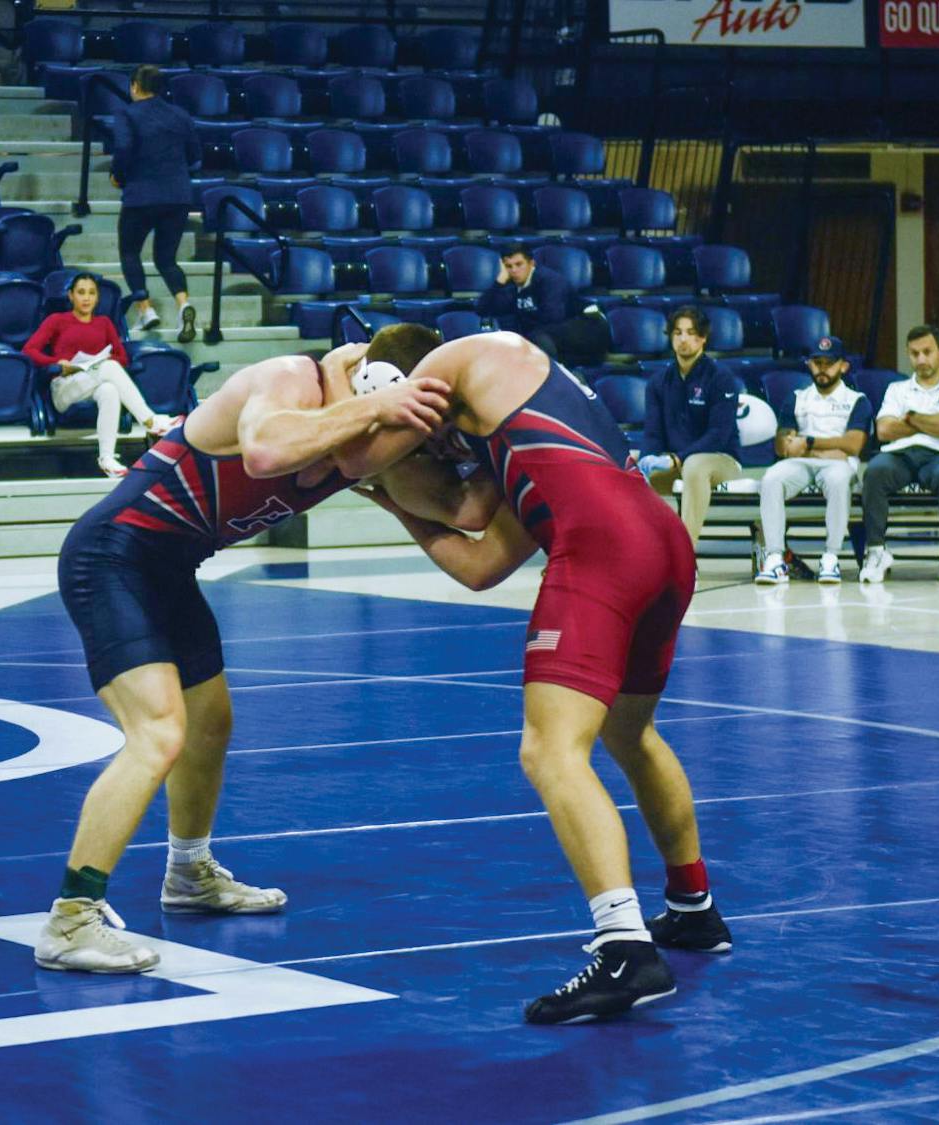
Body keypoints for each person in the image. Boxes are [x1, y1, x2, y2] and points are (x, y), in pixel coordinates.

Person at [337, 326, 732, 1025]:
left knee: (550, 749)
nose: (429, 445)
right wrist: (401, 507)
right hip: (657, 538)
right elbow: (478, 551)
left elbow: (358, 447)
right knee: (630, 734)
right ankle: (693, 907)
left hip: (603, 547)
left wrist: (344, 387)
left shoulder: (467, 355)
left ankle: (625, 950)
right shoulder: (512, 425)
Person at [34, 344, 451, 973]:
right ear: (377, 382)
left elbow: (460, 509)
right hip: (112, 558)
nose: (401, 439)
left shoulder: (365, 428)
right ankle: (71, 920)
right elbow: (264, 450)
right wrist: (375, 403)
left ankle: (189, 874)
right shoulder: (289, 380)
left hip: (169, 568)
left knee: (210, 726)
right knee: (158, 733)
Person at [22, 272, 178, 477]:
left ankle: (107, 458)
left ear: (97, 298)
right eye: (81, 292)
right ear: (70, 296)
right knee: (109, 369)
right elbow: (28, 351)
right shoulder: (57, 320)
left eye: (91, 293)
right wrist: (57, 363)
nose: (86, 298)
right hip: (65, 386)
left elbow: (122, 357)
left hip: (94, 381)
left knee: (110, 390)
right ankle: (150, 420)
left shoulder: (104, 323)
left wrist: (98, 363)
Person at [859, 325, 939, 584]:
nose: (921, 359)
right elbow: (884, 430)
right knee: (875, 471)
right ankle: (877, 551)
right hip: (899, 455)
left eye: (927, 352)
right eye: (914, 354)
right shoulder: (896, 389)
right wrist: (932, 422)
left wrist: (911, 418)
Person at [755, 336, 871, 585]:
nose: (822, 368)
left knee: (839, 480)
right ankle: (775, 557)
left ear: (843, 366)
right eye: (816, 362)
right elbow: (783, 446)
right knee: (772, 478)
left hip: (838, 466)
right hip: (803, 465)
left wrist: (807, 443)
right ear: (809, 364)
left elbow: (852, 446)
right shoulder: (796, 397)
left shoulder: (857, 401)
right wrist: (828, 449)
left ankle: (831, 556)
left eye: (829, 363)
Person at [636, 306, 741, 548]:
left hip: (720, 459)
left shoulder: (720, 377)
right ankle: (638, 548)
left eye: (691, 333)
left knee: (694, 465)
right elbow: (653, 432)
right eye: (677, 333)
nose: (683, 339)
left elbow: (718, 435)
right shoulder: (658, 382)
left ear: (702, 338)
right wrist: (644, 461)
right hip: (676, 461)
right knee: (629, 464)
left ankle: (685, 554)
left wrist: (677, 458)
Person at [110, 64, 201, 343]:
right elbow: (195, 155)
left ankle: (145, 309)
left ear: (135, 86)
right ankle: (183, 304)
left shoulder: (128, 113)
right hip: (177, 195)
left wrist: (119, 175)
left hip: (141, 195)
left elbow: (124, 148)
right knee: (166, 258)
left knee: (129, 252)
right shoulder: (180, 115)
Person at [474, 244, 607, 367]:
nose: (514, 270)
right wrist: (499, 281)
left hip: (588, 328)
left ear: (531, 263)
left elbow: (553, 317)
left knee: (536, 338)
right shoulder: (510, 285)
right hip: (555, 337)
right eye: (508, 266)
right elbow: (482, 309)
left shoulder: (550, 281)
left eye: (519, 264)